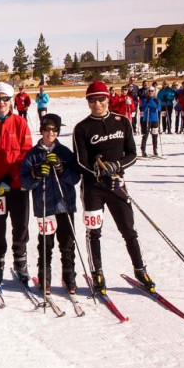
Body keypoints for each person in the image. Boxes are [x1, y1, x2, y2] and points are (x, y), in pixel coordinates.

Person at [73, 81, 154, 291]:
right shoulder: (82, 128)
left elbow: (133, 154)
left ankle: (140, 269)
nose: (97, 103)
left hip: (117, 184)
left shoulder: (122, 122)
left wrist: (116, 166)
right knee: (94, 232)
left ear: (108, 98)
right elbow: (80, 162)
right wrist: (99, 172)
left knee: (128, 230)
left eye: (100, 99)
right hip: (93, 189)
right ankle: (97, 272)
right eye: (92, 100)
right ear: (88, 102)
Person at [19, 113, 81, 293]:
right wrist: (35, 174)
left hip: (65, 205)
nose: (50, 133)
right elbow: (24, 182)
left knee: (67, 243)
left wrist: (62, 169)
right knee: (46, 244)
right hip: (44, 206)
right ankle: (45, 278)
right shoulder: (33, 155)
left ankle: (69, 277)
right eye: (46, 129)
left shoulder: (64, 152)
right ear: (41, 130)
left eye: (54, 130)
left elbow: (75, 178)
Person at [0, 82, 33, 284]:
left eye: (5, 99)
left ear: (11, 100)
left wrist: (9, 178)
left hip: (17, 185)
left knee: (20, 225)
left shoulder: (20, 124)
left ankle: (20, 262)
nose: (1, 102)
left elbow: (25, 153)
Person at [138, 87, 161, 157]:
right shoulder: (144, 99)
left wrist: (155, 104)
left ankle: (155, 149)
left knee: (155, 135)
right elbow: (144, 109)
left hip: (154, 119)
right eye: (149, 91)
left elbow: (158, 108)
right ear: (147, 92)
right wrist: (147, 104)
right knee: (145, 135)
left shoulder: (156, 99)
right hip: (147, 120)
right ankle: (143, 150)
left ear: (154, 92)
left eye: (152, 91)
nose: (151, 92)